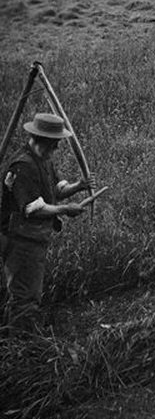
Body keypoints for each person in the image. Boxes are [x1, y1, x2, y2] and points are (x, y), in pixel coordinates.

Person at [0, 112, 95, 335]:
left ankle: (16, 336)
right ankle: (22, 346)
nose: (57, 148)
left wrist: (79, 186)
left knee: (29, 291)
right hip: (20, 240)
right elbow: (33, 209)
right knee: (25, 295)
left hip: (34, 239)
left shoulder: (43, 160)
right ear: (41, 140)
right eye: (55, 143)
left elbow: (57, 190)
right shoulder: (22, 166)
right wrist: (66, 210)